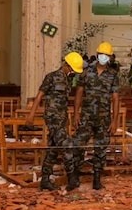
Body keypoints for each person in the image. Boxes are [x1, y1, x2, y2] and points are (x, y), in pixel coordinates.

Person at [25, 52, 84, 191]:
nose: (72, 73)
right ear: (66, 65)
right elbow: (39, 95)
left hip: (61, 118)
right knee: (66, 146)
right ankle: (72, 179)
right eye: (72, 70)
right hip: (52, 118)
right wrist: (31, 115)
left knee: (52, 149)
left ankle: (45, 180)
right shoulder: (51, 77)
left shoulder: (68, 79)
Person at [68, 41, 121, 190]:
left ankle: (97, 178)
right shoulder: (86, 71)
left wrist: (115, 121)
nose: (104, 57)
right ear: (97, 54)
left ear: (110, 58)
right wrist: (76, 114)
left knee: (101, 148)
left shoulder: (113, 75)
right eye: (101, 54)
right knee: (78, 145)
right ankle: (74, 177)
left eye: (107, 55)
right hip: (86, 116)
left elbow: (116, 99)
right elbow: (79, 92)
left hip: (104, 118)